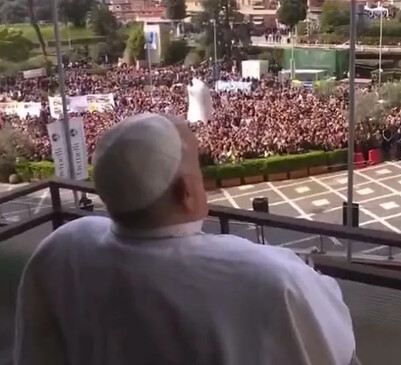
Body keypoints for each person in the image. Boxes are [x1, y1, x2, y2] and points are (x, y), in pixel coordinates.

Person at [14, 113, 358, 365]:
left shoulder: (63, 248)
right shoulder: (272, 276)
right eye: (198, 169)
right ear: (186, 192)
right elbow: (335, 346)